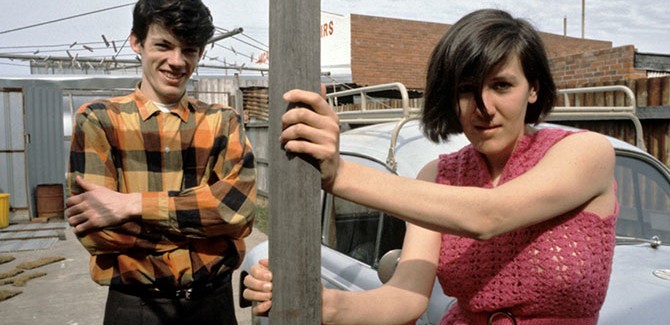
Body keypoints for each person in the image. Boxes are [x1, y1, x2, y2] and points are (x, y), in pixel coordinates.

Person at [243, 8, 618, 325]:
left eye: (502, 85)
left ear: (533, 89)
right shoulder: (438, 175)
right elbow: (407, 296)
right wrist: (322, 303)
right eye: (467, 90)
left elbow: (489, 215)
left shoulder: (587, 152)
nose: (484, 107)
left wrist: (340, 173)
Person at [64, 0, 256, 324]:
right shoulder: (99, 120)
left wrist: (131, 205)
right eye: (164, 45)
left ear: (201, 53)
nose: (177, 61)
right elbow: (97, 233)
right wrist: (206, 229)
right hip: (136, 308)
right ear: (136, 42)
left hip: (213, 306)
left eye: (189, 49)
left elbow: (237, 211)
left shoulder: (223, 122)